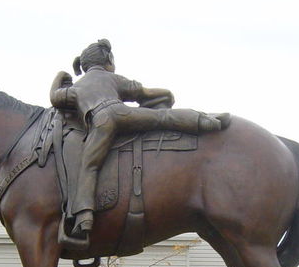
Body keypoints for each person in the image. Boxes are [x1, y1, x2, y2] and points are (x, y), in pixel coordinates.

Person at [50, 38, 230, 242]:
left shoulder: (77, 88)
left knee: (89, 166)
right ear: (107, 59)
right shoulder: (114, 79)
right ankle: (207, 121)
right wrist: (166, 95)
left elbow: (55, 98)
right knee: (163, 117)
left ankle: (84, 217)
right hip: (123, 113)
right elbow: (141, 92)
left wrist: (59, 77)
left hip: (101, 122)